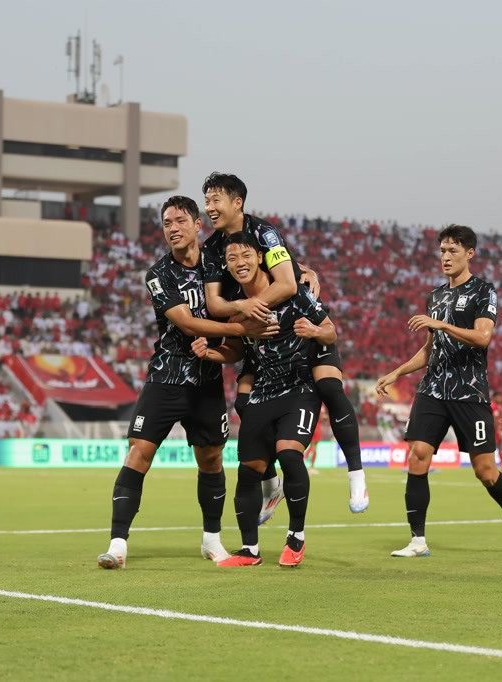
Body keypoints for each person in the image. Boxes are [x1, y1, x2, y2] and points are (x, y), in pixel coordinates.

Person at [97, 196, 277, 570]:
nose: (173, 228)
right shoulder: (158, 274)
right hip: (166, 377)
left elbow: (259, 262)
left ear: (198, 225)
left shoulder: (220, 265)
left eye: (180, 220)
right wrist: (241, 326)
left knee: (211, 459)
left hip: (208, 382)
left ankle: (212, 540)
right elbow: (188, 323)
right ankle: (117, 545)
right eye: (166, 223)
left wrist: (305, 270)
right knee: (138, 452)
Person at [200, 172, 367, 516]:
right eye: (207, 201)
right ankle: (270, 483)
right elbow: (215, 304)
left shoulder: (265, 233)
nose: (209, 208)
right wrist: (244, 311)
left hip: (301, 325)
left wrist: (252, 309)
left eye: (215, 200)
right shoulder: (213, 249)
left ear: (237, 203)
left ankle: (356, 474)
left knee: (330, 388)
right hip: (263, 337)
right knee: (246, 405)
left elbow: (289, 284)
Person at [375, 224, 502, 558]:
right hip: (432, 389)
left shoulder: (483, 291)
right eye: (442, 251)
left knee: (485, 471)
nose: (445, 257)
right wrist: (397, 373)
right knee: (417, 455)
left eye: (452, 251)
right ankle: (418, 540)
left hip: (469, 392)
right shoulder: (436, 295)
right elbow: (430, 350)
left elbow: (483, 337)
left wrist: (442, 324)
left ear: (469, 253)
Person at [193, 232, 337, 567]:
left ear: (260, 258)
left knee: (289, 454)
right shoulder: (236, 311)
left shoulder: (295, 294)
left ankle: (296, 538)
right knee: (249, 470)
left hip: (300, 389)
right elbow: (234, 351)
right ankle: (249, 551)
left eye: (245, 256)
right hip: (263, 392)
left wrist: (315, 332)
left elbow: (330, 330)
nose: (239, 263)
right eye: (231, 259)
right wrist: (211, 353)